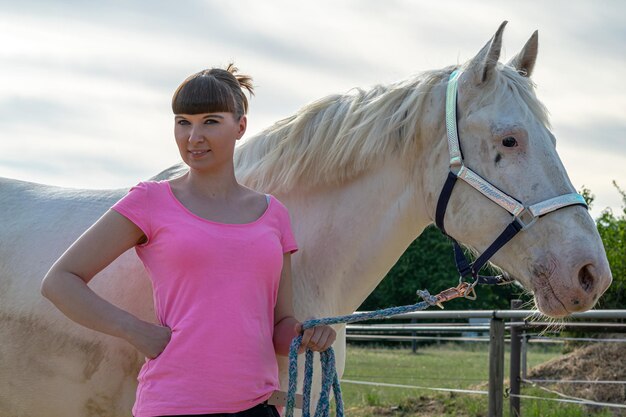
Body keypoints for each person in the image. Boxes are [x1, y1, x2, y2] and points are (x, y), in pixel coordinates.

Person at [41, 64, 336, 417]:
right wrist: (137, 332)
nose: (193, 136)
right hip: (173, 405)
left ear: (240, 126)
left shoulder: (273, 215)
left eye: (210, 121)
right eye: (183, 122)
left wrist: (307, 336)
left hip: (258, 406)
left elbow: (279, 327)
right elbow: (60, 281)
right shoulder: (149, 201)